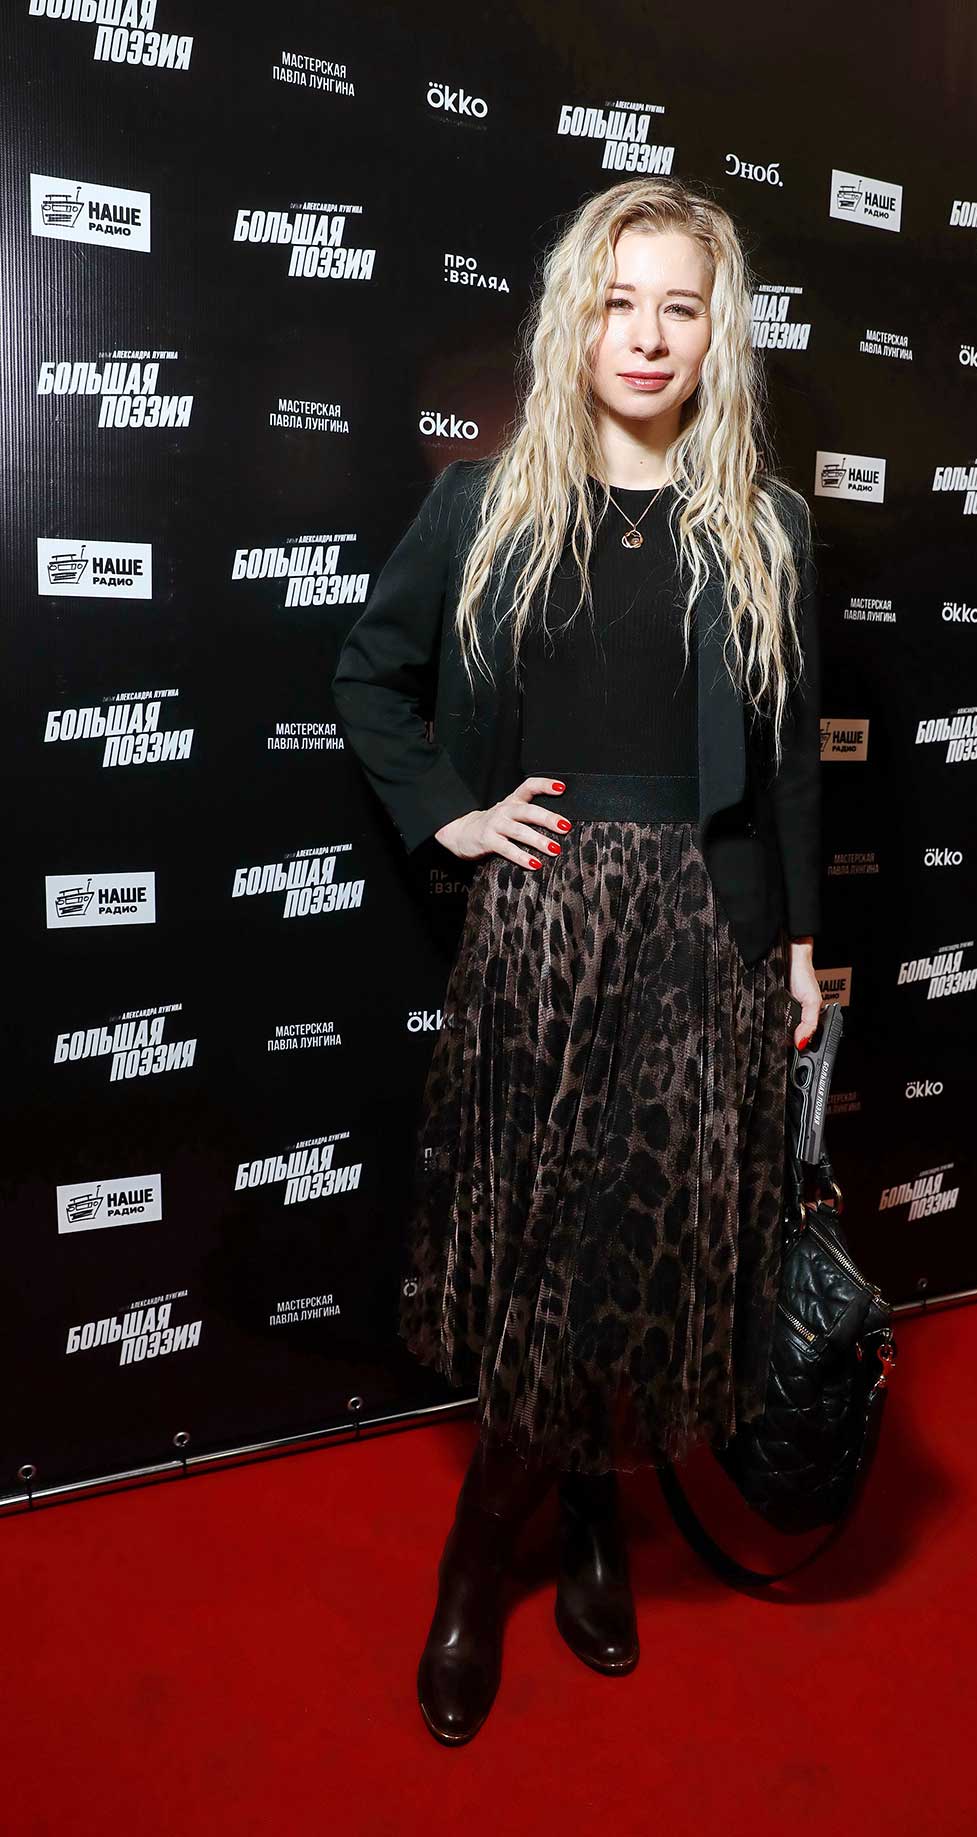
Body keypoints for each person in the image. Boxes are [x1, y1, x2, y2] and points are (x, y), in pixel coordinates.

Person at [330, 176, 822, 1746]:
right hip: (544, 929)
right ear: (576, 319)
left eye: (682, 305)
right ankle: (492, 1551)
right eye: (620, 301)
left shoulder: (765, 527)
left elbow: (789, 758)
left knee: (638, 1250)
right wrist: (453, 814)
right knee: (555, 1250)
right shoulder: (489, 506)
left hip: (703, 935)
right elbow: (370, 669)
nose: (649, 334)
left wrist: (799, 945)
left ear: (717, 332)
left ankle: (579, 1506)